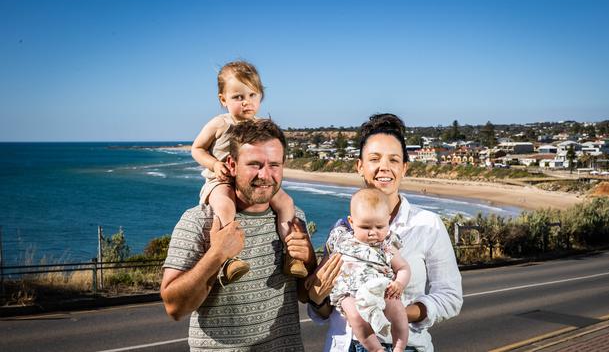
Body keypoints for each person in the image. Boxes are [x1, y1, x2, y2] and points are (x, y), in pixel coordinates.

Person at [306, 114, 463, 352]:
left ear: (404, 168)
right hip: (344, 345)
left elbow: (450, 297)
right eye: (374, 159)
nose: (384, 168)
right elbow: (325, 309)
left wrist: (396, 313)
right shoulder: (341, 230)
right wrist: (317, 300)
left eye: (394, 160)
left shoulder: (427, 224)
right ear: (360, 166)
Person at [161, 119, 317, 351]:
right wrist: (216, 255)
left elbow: (306, 295)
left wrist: (310, 259)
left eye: (274, 165)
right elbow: (175, 308)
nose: (265, 175)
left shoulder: (294, 219)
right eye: (254, 164)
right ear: (232, 165)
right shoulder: (199, 221)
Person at [191, 60, 306, 283]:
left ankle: (291, 254)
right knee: (225, 205)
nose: (247, 103)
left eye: (253, 95)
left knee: (286, 203)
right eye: (238, 97)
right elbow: (197, 149)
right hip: (221, 181)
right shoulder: (220, 124)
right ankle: (229, 260)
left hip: (252, 182)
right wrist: (215, 164)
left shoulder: (260, 125)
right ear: (223, 99)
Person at [325, 188, 411, 352]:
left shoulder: (386, 246)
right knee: (356, 317)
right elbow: (328, 261)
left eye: (379, 226)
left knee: (399, 313)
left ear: (388, 220)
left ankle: (399, 346)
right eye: (365, 227)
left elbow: (403, 267)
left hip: (381, 289)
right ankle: (376, 349)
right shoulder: (342, 238)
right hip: (349, 291)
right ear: (351, 222)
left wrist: (399, 283)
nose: (373, 232)